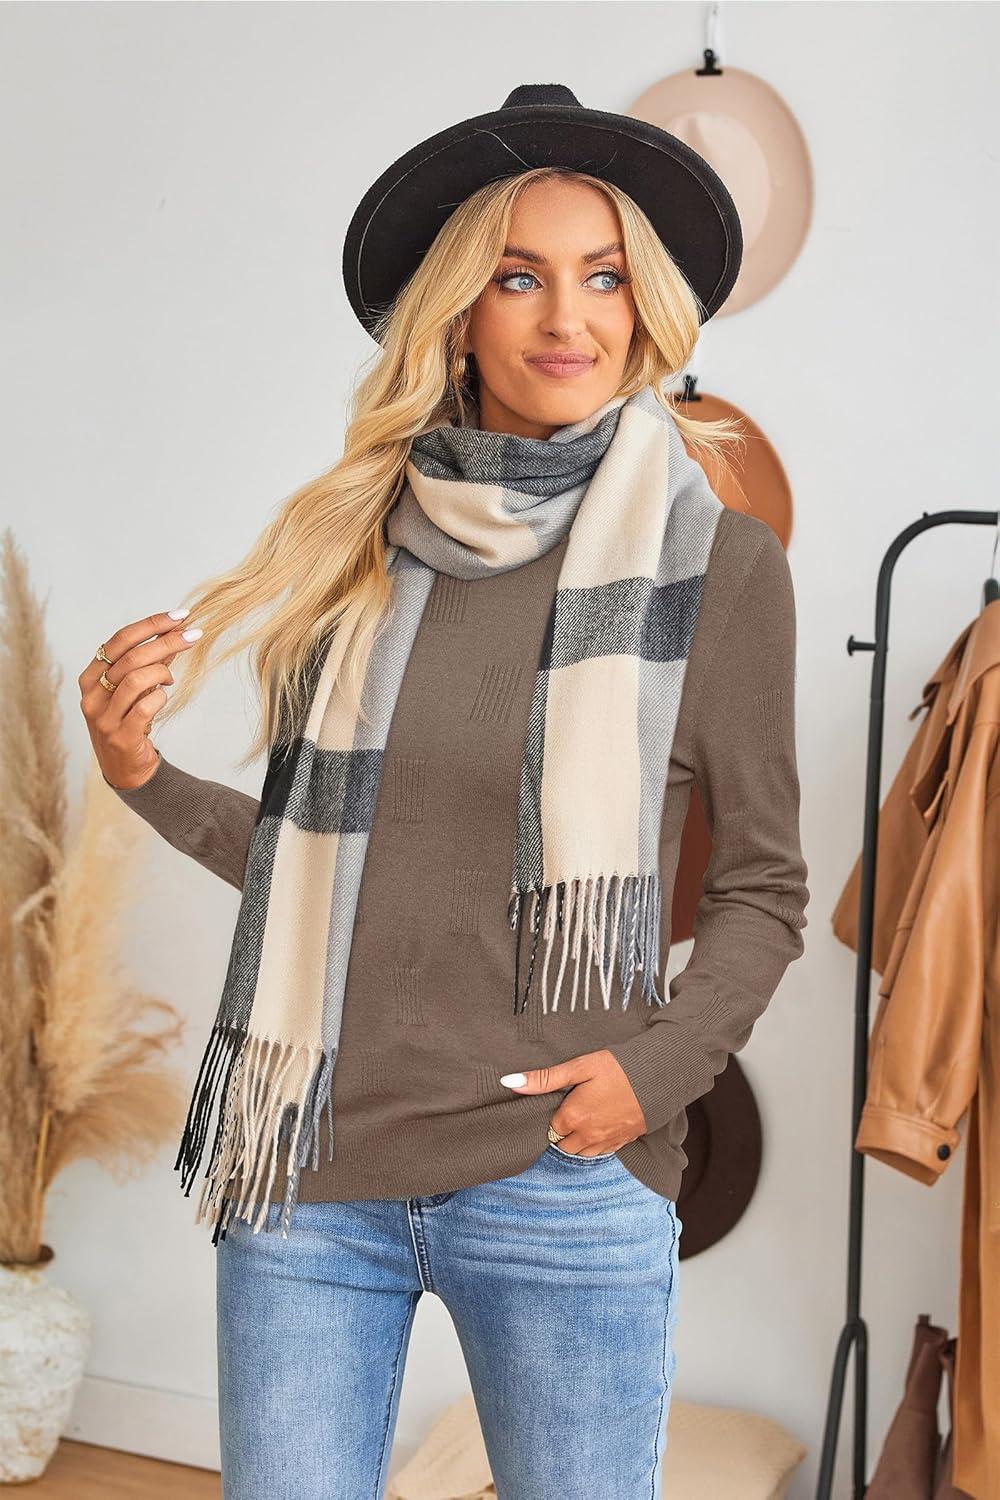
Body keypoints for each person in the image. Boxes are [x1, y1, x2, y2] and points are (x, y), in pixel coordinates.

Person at [77, 84, 808, 1500]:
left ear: (646, 307)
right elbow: (312, 860)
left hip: (558, 1177)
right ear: (456, 314)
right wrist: (140, 775)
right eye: (517, 277)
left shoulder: (718, 568)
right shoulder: (356, 551)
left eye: (604, 277)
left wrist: (653, 1077)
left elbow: (764, 889)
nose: (567, 318)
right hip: (309, 1175)